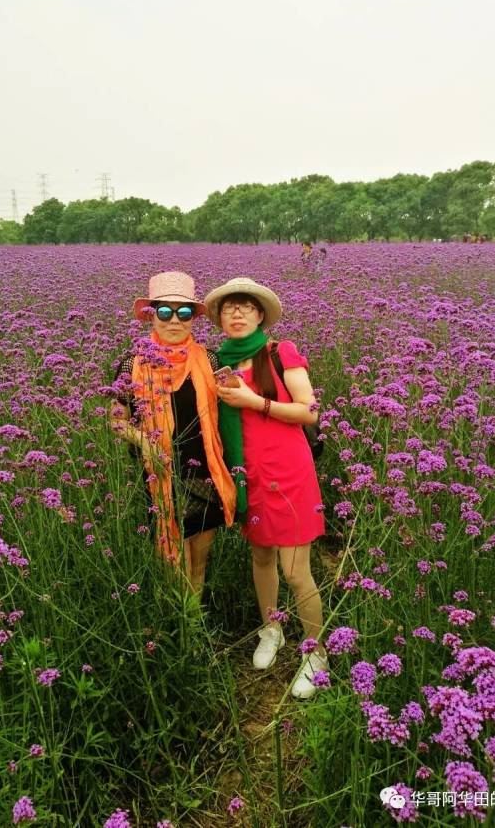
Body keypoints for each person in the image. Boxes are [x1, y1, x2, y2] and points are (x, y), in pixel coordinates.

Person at [204, 277, 327, 699]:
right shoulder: (215, 361)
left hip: (289, 469)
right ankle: (271, 628)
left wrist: (254, 402)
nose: (236, 313)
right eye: (228, 308)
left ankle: (316, 653)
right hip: (247, 472)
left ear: (260, 315)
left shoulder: (278, 352)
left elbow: (309, 411)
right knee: (261, 555)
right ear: (219, 318)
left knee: (296, 571)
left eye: (245, 307)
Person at [109, 271, 236, 596]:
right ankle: (181, 626)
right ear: (151, 315)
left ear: (193, 318)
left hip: (203, 472)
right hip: (158, 472)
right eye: (164, 312)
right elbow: (115, 420)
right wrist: (143, 442)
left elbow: (234, 404)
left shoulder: (209, 359)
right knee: (172, 562)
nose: (174, 320)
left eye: (184, 312)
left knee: (198, 561)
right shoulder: (131, 363)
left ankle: (193, 629)